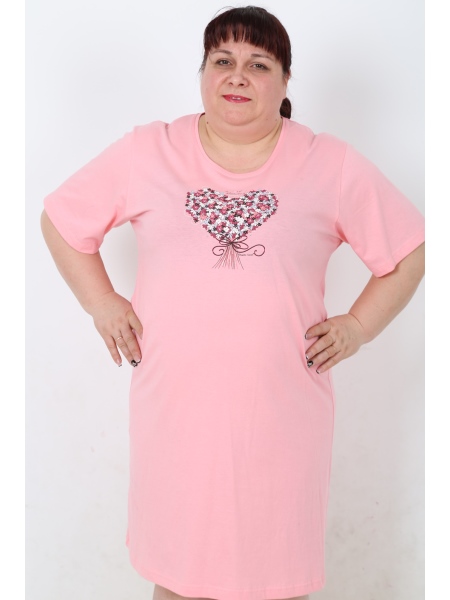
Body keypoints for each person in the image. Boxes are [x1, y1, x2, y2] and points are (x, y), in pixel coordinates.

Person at [41, 5, 425, 600]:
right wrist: (103, 303)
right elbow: (62, 223)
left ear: (286, 81)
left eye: (259, 64)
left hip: (282, 416)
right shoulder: (149, 151)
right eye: (222, 60)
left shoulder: (329, 163)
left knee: (278, 579)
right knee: (179, 575)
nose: (237, 76)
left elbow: (408, 252)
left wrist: (358, 326)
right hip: (176, 413)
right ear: (202, 72)